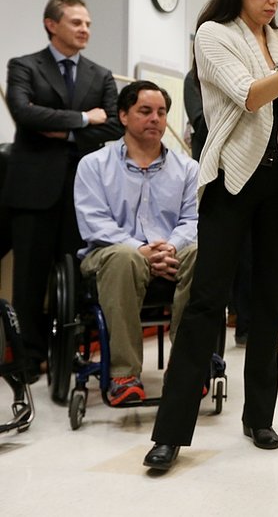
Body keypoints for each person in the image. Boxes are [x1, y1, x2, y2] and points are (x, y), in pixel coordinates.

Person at [144, 0, 278, 472]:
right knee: (206, 304)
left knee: (268, 305)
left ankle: (259, 417)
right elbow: (249, 96)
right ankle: (170, 433)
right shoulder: (214, 34)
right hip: (231, 182)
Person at [1, 0, 123, 380]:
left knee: (75, 275)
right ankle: (27, 358)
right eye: (76, 22)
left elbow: (116, 125)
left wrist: (59, 128)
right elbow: (24, 112)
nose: (85, 29)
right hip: (33, 190)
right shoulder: (24, 66)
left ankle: (67, 353)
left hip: (82, 192)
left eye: (87, 23)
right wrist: (85, 119)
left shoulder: (100, 74)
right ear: (52, 25)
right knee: (29, 280)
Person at [74, 81, 198, 406]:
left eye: (161, 112)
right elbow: (94, 222)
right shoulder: (94, 165)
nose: (155, 118)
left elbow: (194, 221)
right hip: (108, 254)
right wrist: (138, 249)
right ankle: (124, 375)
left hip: (172, 254)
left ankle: (185, 369)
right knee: (124, 257)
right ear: (124, 116)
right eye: (145, 111)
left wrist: (170, 247)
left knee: (202, 253)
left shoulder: (188, 169)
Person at [183, 68, 278, 346]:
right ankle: (229, 322)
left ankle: (248, 323)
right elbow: (203, 121)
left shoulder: (258, 72)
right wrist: (243, 111)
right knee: (222, 262)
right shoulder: (196, 77)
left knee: (253, 255)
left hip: (259, 171)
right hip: (220, 172)